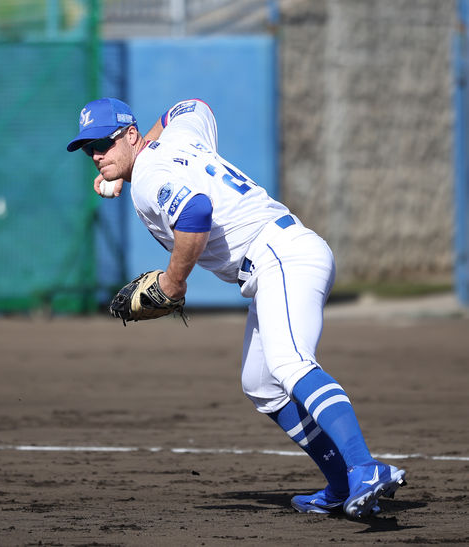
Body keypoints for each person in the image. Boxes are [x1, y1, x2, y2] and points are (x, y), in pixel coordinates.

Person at [67, 97, 406, 518]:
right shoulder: (177, 139)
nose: (97, 154)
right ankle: (340, 484)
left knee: (290, 362)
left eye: (105, 142)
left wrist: (173, 283)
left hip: (281, 256)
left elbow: (195, 211)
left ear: (131, 134)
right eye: (89, 148)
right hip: (281, 256)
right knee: (261, 384)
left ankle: (364, 469)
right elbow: (190, 106)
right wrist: (124, 163)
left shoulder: (151, 176)